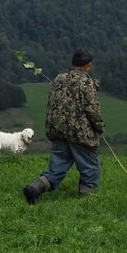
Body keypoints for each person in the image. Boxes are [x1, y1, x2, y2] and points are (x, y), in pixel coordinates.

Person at [23, 49, 104, 204]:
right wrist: (99, 127)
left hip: (58, 130)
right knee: (90, 166)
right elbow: (92, 110)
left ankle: (35, 188)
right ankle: (86, 200)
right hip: (80, 133)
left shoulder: (59, 79)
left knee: (57, 168)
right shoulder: (86, 83)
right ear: (87, 66)